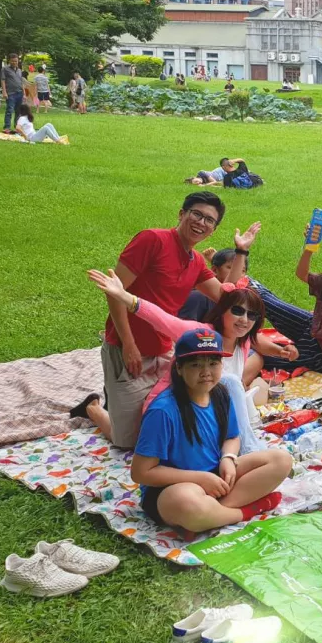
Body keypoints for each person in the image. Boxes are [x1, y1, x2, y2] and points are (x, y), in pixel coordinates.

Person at [81, 191, 259, 449]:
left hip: (165, 350)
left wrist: (241, 251)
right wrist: (128, 344)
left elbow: (226, 298)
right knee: (130, 441)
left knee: (167, 425)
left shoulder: (196, 261)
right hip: (127, 348)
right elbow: (115, 291)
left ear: (213, 230)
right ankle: (92, 407)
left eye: (209, 220)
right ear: (181, 214)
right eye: (196, 214)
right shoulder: (152, 240)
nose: (201, 223)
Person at [85, 270, 297, 453]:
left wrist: (281, 351)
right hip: (176, 411)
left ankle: (244, 447)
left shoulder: (243, 341)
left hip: (205, 413)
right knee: (129, 443)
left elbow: (258, 340)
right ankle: (92, 408)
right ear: (222, 311)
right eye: (237, 311)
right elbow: (162, 319)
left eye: (252, 315)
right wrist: (124, 296)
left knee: (233, 393)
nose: (244, 320)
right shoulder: (201, 335)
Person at [131, 329, 293, 533]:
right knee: (187, 503)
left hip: (217, 474)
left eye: (213, 363)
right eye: (196, 364)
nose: (206, 371)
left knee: (281, 460)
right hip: (175, 487)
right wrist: (200, 479)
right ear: (179, 368)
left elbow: (232, 437)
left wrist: (228, 458)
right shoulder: (163, 411)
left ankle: (213, 514)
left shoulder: (220, 394)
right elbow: (141, 472)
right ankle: (241, 512)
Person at [251, 244, 322, 378]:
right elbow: (301, 274)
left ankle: (241, 345)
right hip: (312, 328)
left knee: (265, 356)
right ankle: (243, 284)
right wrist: (309, 249)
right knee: (270, 304)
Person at [0, 54, 23, 133]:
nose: (14, 62)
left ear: (18, 61)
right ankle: (7, 127)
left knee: (18, 112)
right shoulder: (5, 69)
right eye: (12, 61)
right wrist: (4, 92)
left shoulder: (19, 70)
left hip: (19, 93)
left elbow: (21, 82)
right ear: (9, 61)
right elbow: (3, 80)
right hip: (10, 93)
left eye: (16, 61)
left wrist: (24, 93)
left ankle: (17, 127)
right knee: (9, 110)